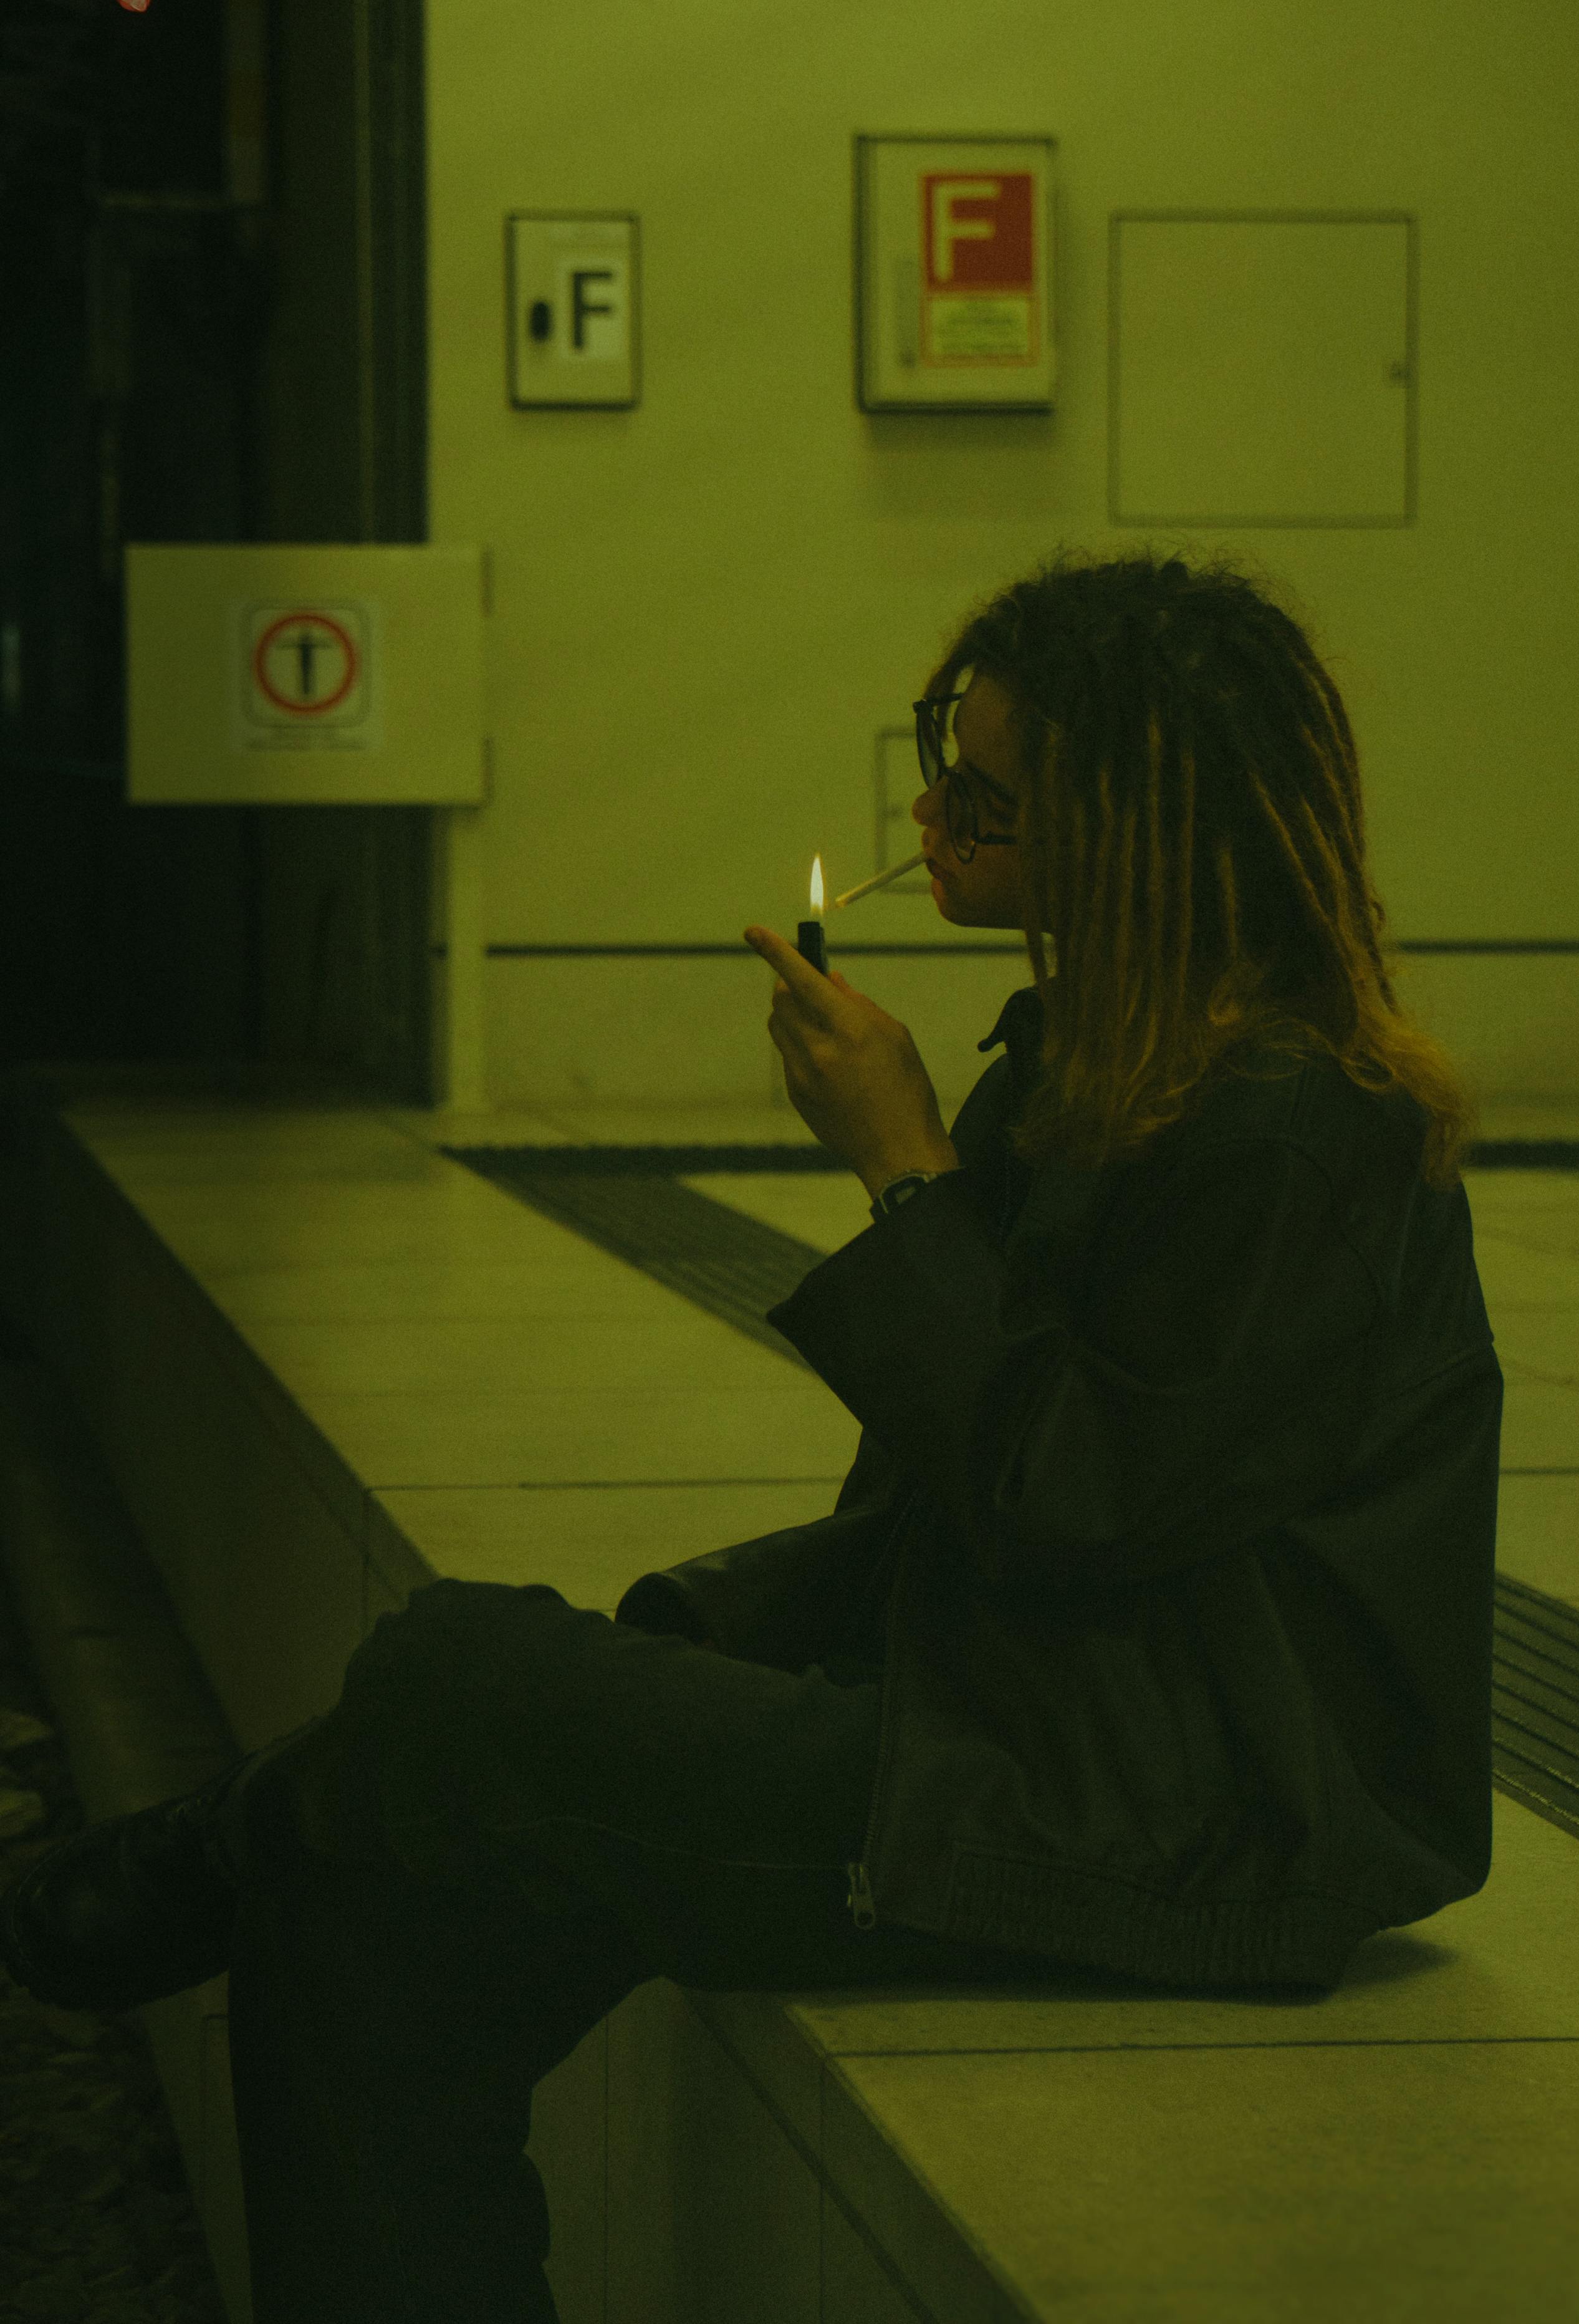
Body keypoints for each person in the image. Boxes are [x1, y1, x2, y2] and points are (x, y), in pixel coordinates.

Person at [0, 547, 1502, 2323]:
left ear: (1133, 829)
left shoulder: (1291, 1124)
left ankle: (147, 1877)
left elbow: (1072, 1505)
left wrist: (901, 1167)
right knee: (361, 1910)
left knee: (463, 1676)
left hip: (1199, 1806)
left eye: (987, 791)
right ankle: (204, 1869)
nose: (934, 815)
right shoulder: (1102, 1059)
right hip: (1037, 1713)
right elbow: (980, 1496)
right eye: (940, 763)